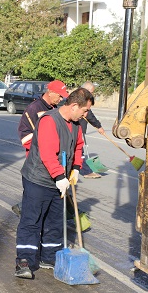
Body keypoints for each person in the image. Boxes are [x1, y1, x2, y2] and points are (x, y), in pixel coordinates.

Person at [14, 87, 94, 279]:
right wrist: (59, 177)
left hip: (59, 181)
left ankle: (49, 257)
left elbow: (78, 147)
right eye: (84, 111)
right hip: (38, 179)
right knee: (32, 221)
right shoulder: (49, 120)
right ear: (74, 106)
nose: (86, 115)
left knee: (54, 222)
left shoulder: (76, 124)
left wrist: (75, 167)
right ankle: (24, 261)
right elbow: (48, 153)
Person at [17, 80, 69, 153]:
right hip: (37, 156)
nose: (61, 99)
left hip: (52, 153)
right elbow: (25, 138)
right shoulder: (34, 108)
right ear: (51, 93)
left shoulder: (54, 107)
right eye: (60, 96)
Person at [77, 81, 106, 179]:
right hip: (76, 129)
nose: (92, 94)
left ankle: (81, 169)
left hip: (79, 129)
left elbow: (89, 114)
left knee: (77, 150)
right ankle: (86, 171)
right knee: (78, 151)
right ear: (86, 90)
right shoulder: (80, 99)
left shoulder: (80, 97)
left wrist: (98, 126)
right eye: (91, 92)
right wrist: (99, 126)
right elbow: (89, 115)